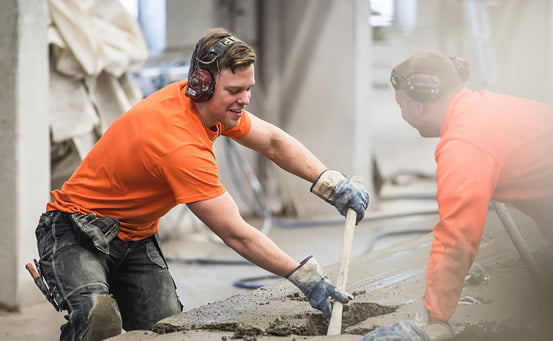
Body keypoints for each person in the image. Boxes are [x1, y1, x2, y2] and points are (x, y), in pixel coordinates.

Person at [33, 27, 369, 341]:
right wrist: (303, 277)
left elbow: (272, 142)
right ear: (201, 85)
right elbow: (235, 233)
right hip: (75, 230)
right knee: (97, 318)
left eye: (248, 88)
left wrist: (328, 181)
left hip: (134, 237)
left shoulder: (208, 109)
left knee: (168, 330)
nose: (245, 99)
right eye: (235, 91)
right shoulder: (178, 144)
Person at [363, 51, 553, 340]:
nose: (401, 114)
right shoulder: (485, 107)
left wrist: (432, 320)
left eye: (400, 104)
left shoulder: (464, 143)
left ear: (421, 101)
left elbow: (457, 236)